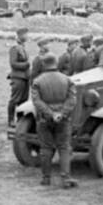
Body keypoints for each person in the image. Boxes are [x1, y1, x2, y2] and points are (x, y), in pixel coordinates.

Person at [31, 53, 78, 189]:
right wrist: (61, 114)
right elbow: (72, 100)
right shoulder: (67, 80)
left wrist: (50, 114)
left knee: (45, 148)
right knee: (64, 147)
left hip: (44, 120)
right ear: (56, 63)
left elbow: (36, 101)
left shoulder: (38, 81)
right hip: (64, 119)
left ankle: (46, 178)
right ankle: (66, 178)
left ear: (44, 64)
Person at [7, 28, 30, 127]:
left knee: (24, 99)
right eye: (25, 35)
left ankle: (20, 119)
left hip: (25, 77)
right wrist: (26, 65)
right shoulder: (14, 48)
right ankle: (11, 120)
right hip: (18, 77)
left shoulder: (23, 47)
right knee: (15, 99)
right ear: (20, 36)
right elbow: (13, 63)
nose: (27, 36)